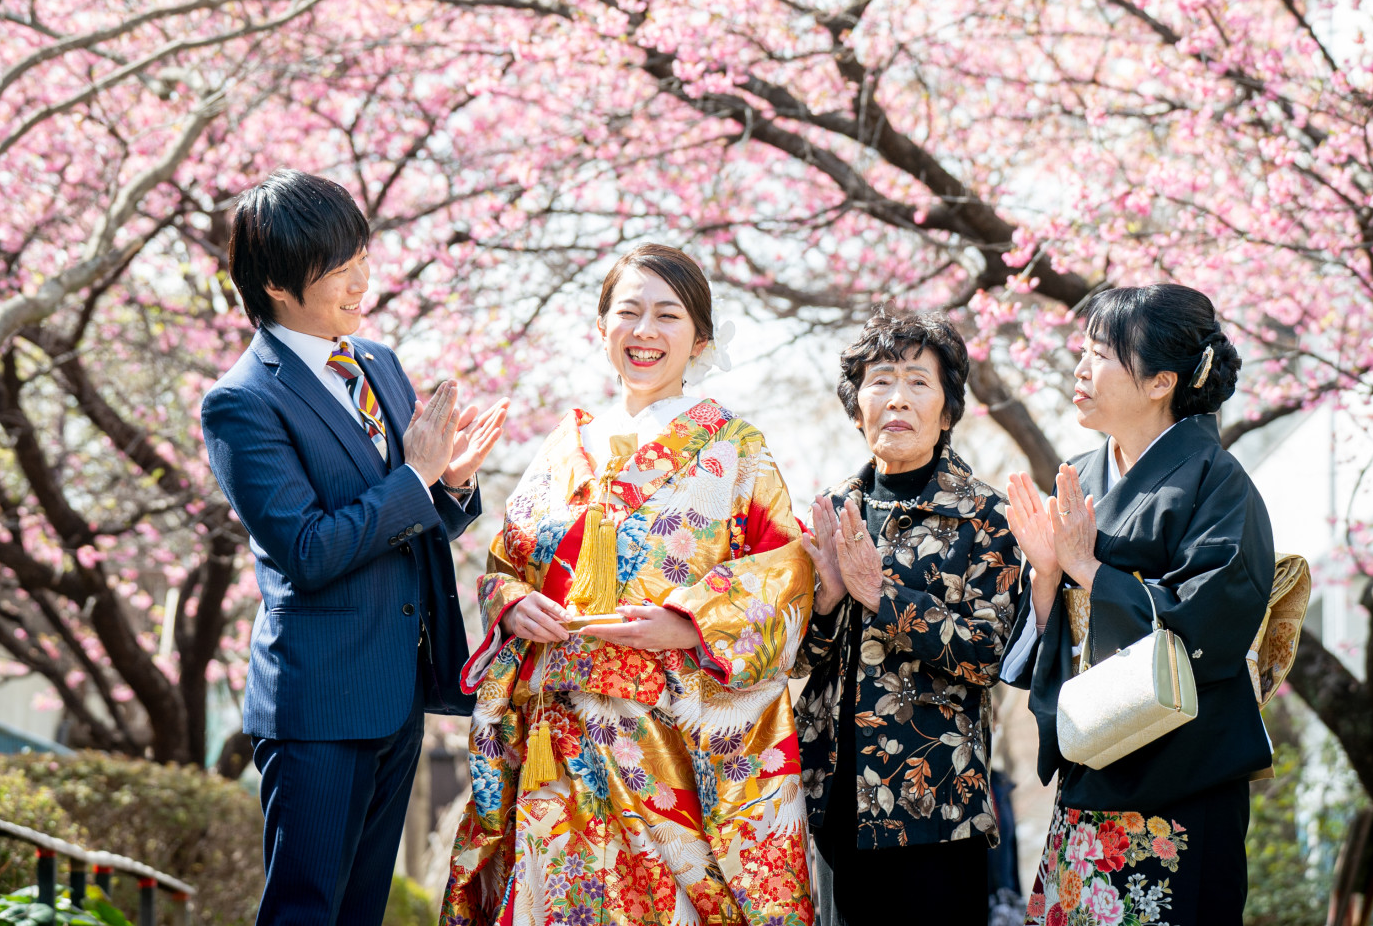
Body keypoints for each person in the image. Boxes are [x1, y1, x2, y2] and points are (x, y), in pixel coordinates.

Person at [441, 244, 816, 926]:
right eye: (628, 312)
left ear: (700, 337)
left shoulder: (734, 447)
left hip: (669, 734)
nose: (644, 331)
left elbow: (784, 573)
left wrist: (690, 624)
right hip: (560, 732)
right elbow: (507, 563)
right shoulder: (565, 444)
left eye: (667, 315)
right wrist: (516, 606)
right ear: (601, 328)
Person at [203, 170, 509, 926]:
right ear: (275, 282)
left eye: (362, 255)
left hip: (396, 689)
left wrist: (450, 490)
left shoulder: (378, 363)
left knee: (360, 913)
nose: (361, 279)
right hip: (317, 705)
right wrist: (417, 476)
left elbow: (405, 526)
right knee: (306, 912)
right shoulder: (243, 402)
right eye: (339, 266)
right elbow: (306, 549)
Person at [999, 283, 1274, 926]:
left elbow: (1210, 617)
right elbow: (1051, 636)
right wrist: (1045, 576)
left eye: (1102, 354)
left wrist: (1090, 570)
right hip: (1092, 771)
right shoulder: (1080, 474)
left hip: (1182, 783)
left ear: (1160, 382)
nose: (1080, 368)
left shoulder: (1217, 480)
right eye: (1083, 351)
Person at [793, 309, 1021, 926]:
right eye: (880, 380)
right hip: (834, 801)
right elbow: (794, 659)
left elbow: (990, 652)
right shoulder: (832, 510)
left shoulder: (986, 516)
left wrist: (880, 595)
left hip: (935, 807)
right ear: (857, 402)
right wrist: (825, 603)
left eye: (918, 381)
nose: (897, 398)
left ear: (948, 409)